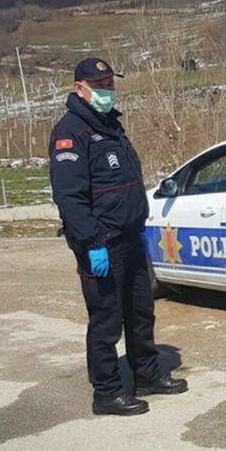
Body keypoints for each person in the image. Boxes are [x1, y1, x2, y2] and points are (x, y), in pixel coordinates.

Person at [49, 57, 188, 416]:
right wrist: (92, 243)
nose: (108, 91)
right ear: (80, 88)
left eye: (110, 84)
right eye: (100, 85)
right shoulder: (71, 133)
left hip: (130, 237)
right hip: (102, 243)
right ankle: (107, 392)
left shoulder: (111, 127)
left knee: (140, 313)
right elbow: (70, 198)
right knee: (107, 321)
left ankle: (146, 374)